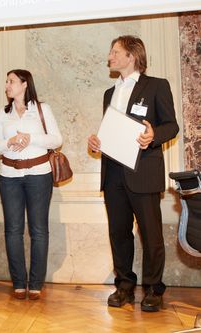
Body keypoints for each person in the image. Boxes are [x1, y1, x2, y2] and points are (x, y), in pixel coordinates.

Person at [87, 35, 179, 312]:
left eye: (115, 51)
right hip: (113, 173)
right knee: (119, 232)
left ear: (132, 56)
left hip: (144, 171)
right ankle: (124, 285)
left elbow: (171, 126)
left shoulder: (157, 86)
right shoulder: (108, 93)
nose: (110, 56)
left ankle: (153, 288)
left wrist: (153, 135)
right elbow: (112, 132)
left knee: (151, 234)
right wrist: (96, 142)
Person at [0, 69, 62, 300]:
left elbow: (57, 140)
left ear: (23, 84)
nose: (7, 85)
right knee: (13, 230)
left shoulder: (42, 109)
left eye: (11, 81)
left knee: (39, 230)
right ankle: (19, 282)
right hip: (9, 176)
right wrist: (9, 141)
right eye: (7, 81)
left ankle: (36, 283)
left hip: (39, 174)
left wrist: (31, 138)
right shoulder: (4, 113)